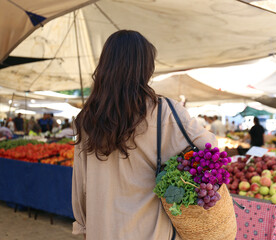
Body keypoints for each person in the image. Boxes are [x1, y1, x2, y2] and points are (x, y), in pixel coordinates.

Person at [72, 30, 217, 240]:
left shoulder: (86, 118)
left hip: (102, 229)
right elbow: (209, 148)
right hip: (151, 232)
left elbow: (81, 184)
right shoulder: (165, 111)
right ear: (145, 68)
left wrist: (84, 227)